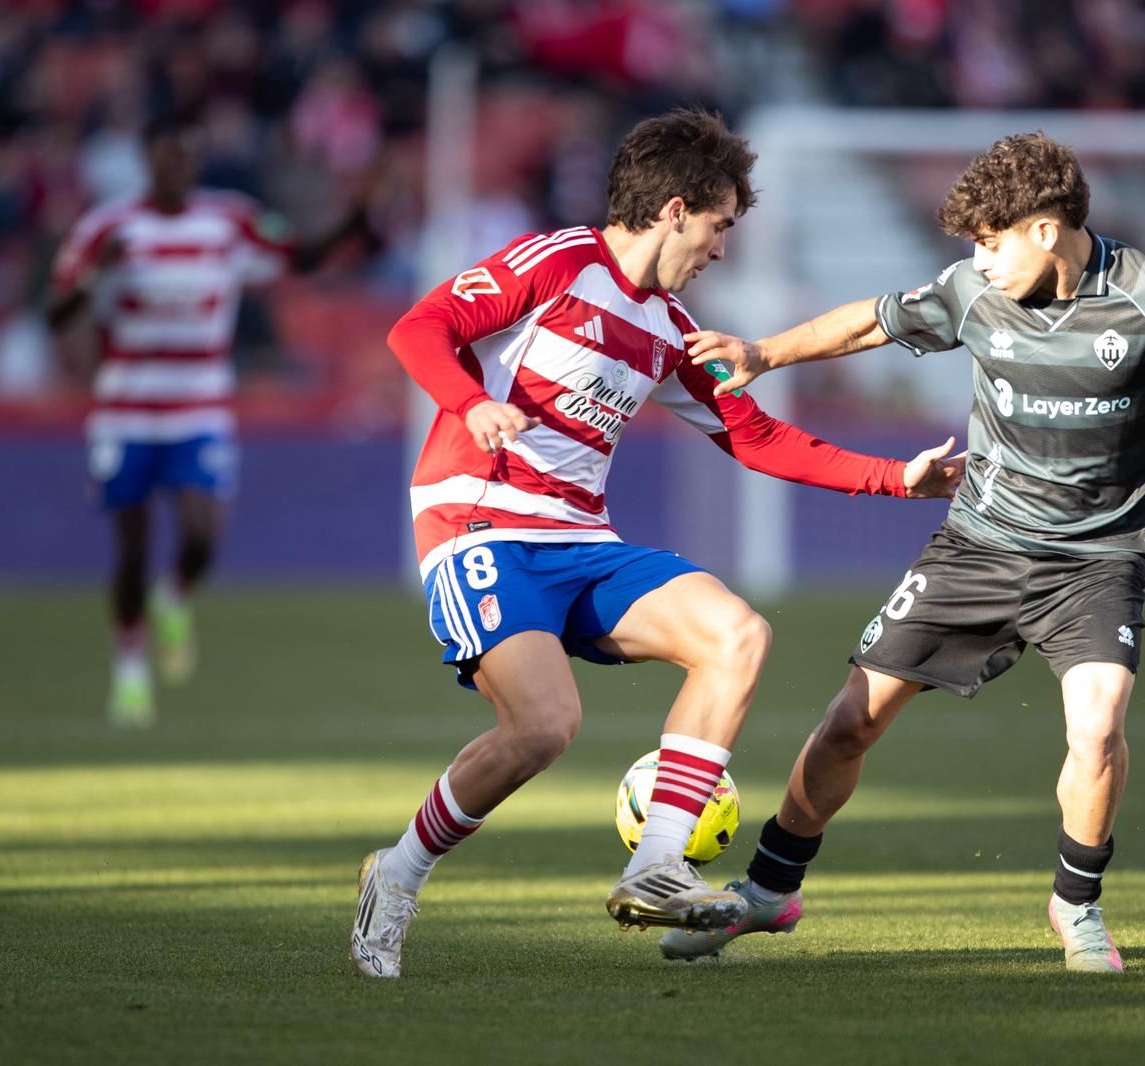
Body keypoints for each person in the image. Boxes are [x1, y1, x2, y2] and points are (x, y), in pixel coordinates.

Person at [659, 132, 1145, 972]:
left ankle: (1075, 905)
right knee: (853, 721)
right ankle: (771, 888)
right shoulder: (974, 290)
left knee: (1099, 729)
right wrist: (766, 352)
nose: (978, 260)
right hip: (980, 543)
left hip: (1098, 562)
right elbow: (876, 319)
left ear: (1045, 230)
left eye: (991, 242)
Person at [350, 108, 962, 980]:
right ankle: (398, 874)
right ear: (675, 209)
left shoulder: (674, 330)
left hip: (581, 540)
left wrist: (900, 478)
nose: (721, 250)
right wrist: (472, 403)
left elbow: (756, 438)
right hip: (479, 522)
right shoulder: (556, 262)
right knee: (544, 728)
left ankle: (656, 865)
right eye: (718, 227)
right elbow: (419, 329)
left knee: (737, 635)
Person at [48, 114, 372, 728]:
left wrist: (353, 222)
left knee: (202, 531)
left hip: (199, 404)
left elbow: (296, 256)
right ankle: (130, 671)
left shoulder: (227, 220)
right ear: (148, 162)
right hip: (126, 408)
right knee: (132, 543)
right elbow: (55, 310)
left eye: (185, 157)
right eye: (166, 156)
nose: (177, 168)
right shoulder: (108, 229)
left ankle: (175, 597)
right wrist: (96, 277)